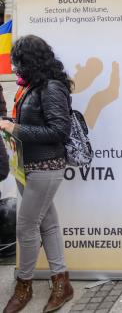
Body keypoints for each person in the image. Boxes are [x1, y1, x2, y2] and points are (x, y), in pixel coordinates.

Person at [0, 35, 73, 313]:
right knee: (48, 225)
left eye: (17, 61)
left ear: (30, 60)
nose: (14, 67)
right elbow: (33, 121)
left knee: (26, 226)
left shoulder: (52, 86)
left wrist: (14, 129)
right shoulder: (31, 86)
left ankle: (24, 285)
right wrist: (12, 122)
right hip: (26, 166)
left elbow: (58, 131)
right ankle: (61, 282)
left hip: (45, 166)